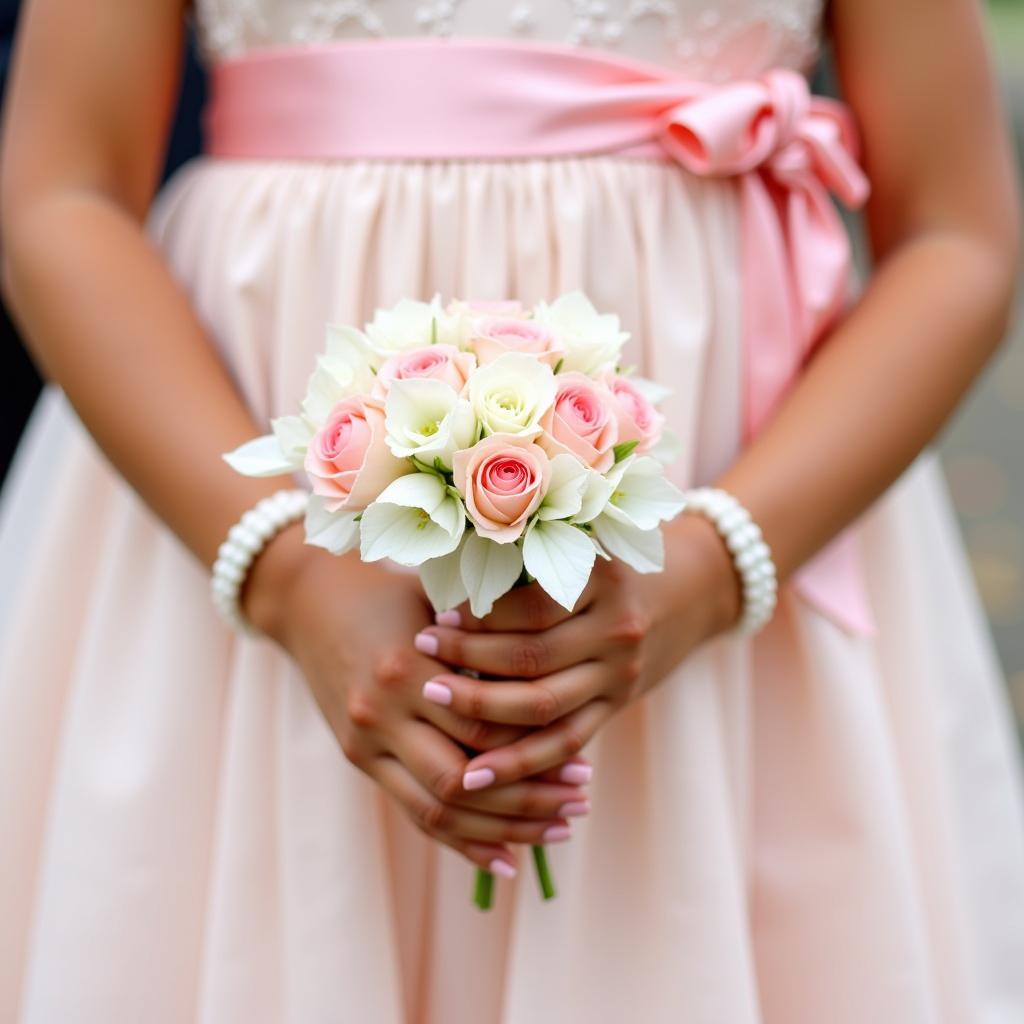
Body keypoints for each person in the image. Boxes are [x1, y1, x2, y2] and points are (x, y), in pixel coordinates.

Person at [0, 1, 1022, 1021]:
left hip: (741, 510)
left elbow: (955, 234)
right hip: (238, 500)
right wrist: (280, 567)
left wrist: (714, 565)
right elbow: (62, 193)